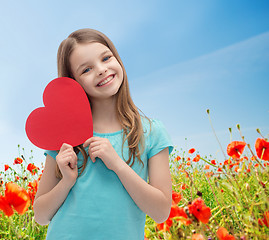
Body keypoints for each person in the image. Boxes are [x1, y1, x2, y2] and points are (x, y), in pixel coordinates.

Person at [33, 28, 174, 240]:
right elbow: (41, 216)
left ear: (117, 58)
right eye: (86, 69)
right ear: (73, 82)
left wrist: (117, 165)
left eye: (106, 58)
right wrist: (67, 181)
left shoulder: (152, 132)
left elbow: (161, 212)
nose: (101, 69)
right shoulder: (63, 136)